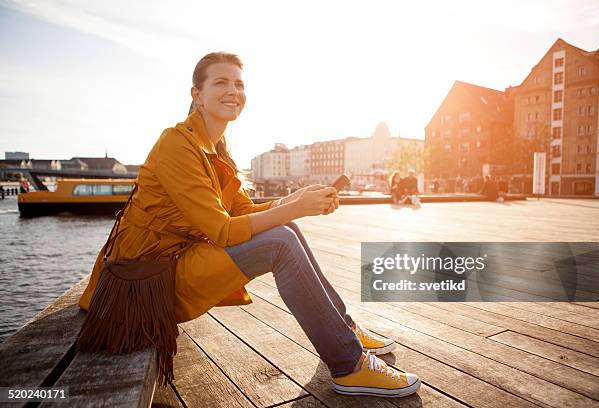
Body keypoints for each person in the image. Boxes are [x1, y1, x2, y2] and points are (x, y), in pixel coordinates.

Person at [78, 52, 420, 398]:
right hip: (139, 285)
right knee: (279, 242)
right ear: (196, 94)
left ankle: (343, 330)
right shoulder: (176, 145)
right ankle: (349, 366)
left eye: (239, 84)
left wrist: (293, 202)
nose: (233, 91)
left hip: (171, 265)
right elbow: (223, 230)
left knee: (287, 232)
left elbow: (242, 210)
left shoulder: (217, 148)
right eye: (221, 82)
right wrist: (294, 208)